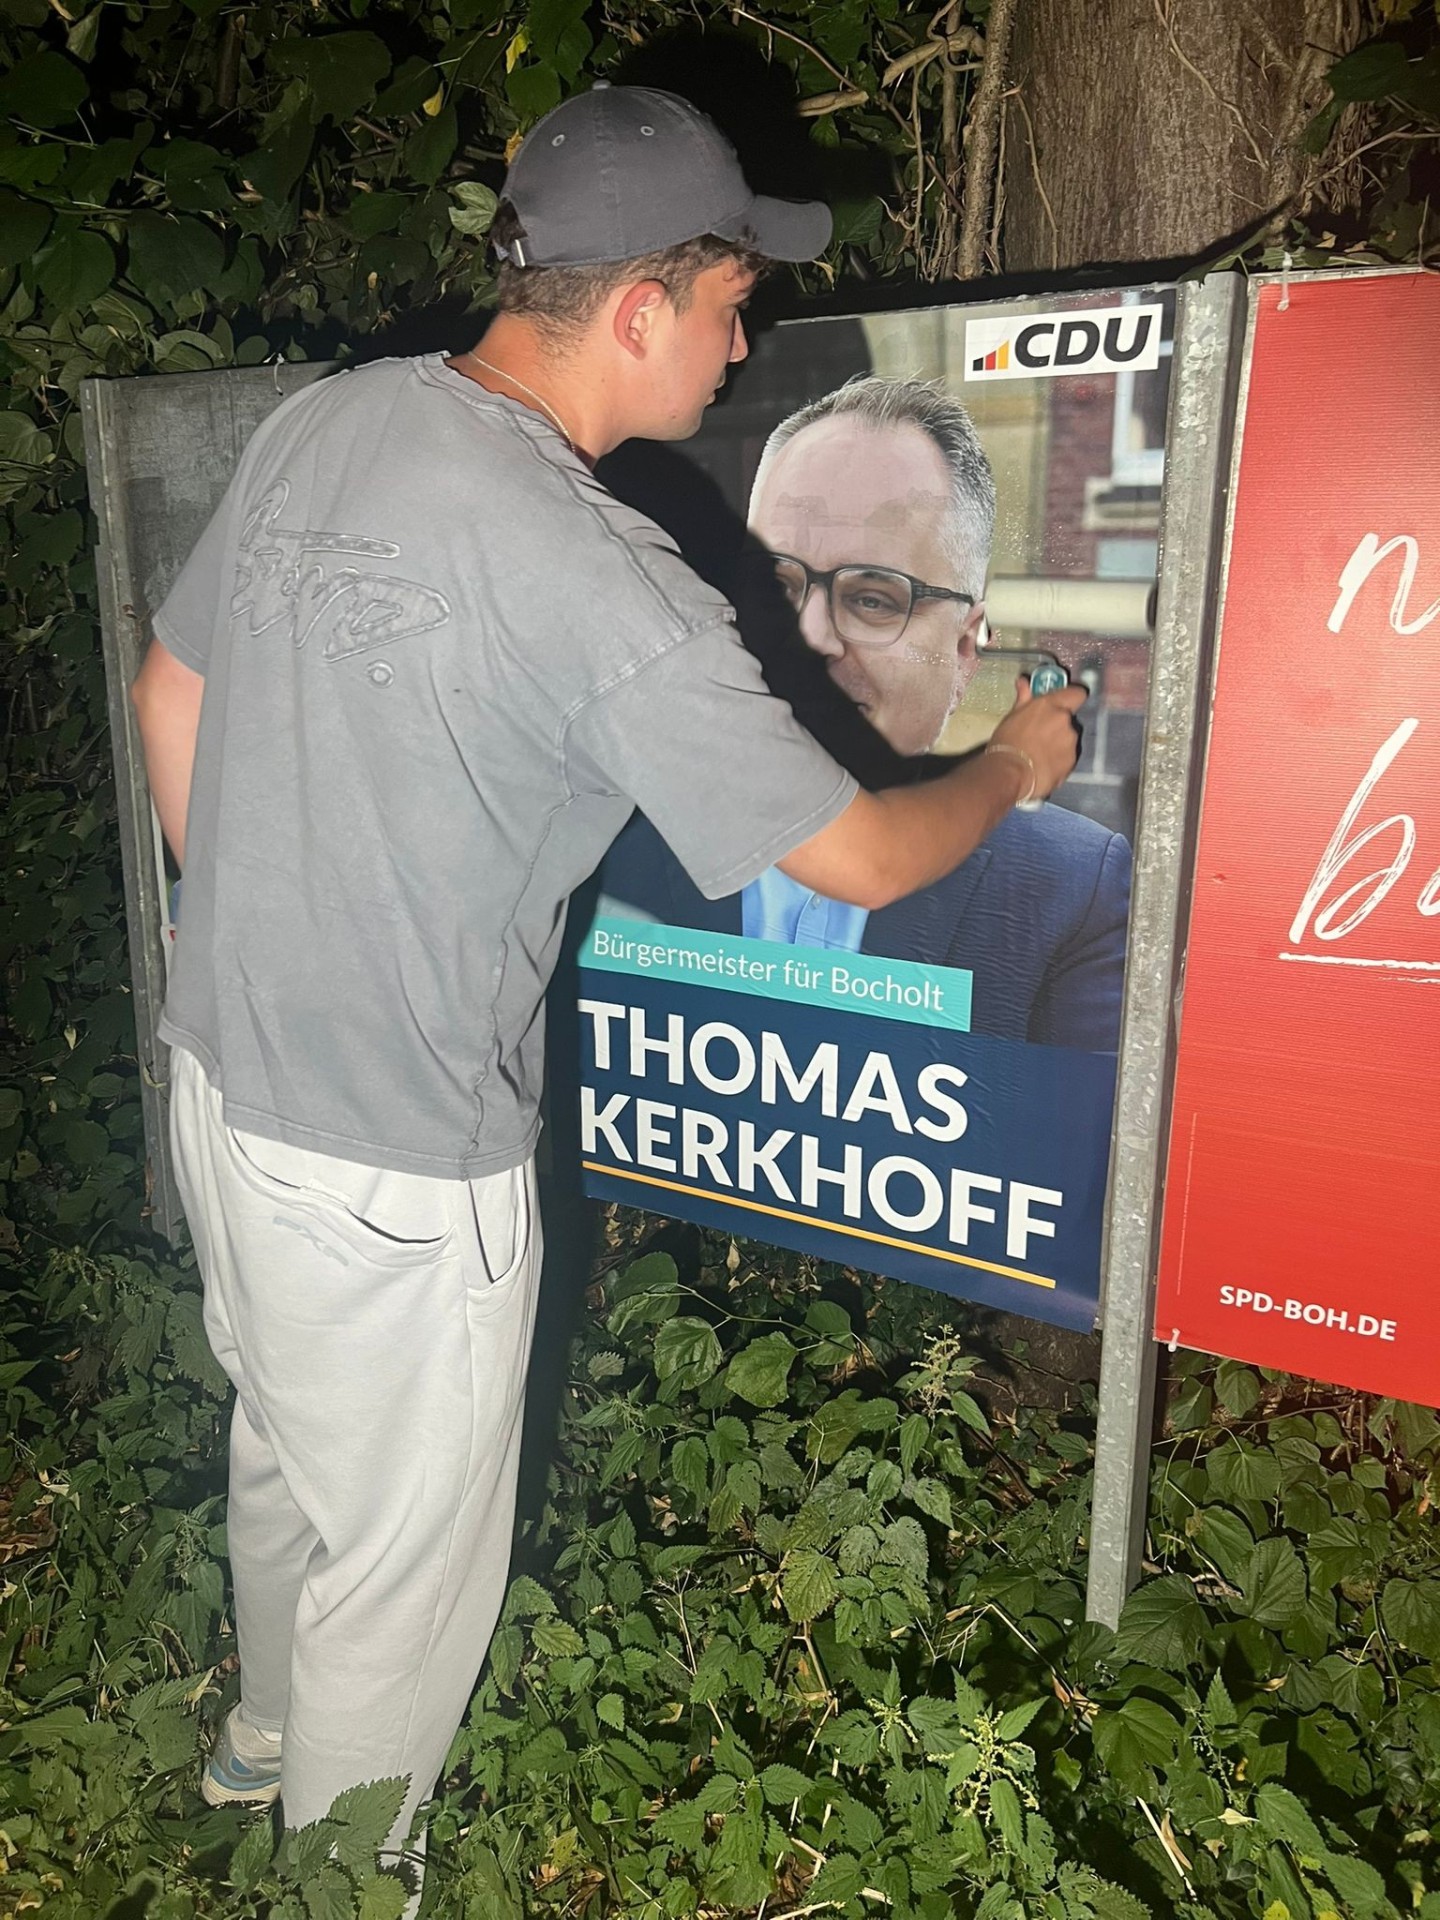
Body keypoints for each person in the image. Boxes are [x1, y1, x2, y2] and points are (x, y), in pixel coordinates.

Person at [127, 83, 1086, 1884]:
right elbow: (866, 858)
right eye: (729, 303)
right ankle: (347, 1879)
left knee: (292, 1439)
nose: (741, 343)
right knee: (403, 1571)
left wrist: (245, 916)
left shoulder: (330, 422)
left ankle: (258, 1737)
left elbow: (167, 691)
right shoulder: (598, 572)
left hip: (222, 1077)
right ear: (640, 306)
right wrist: (1021, 760)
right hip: (402, 1152)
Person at [600, 376, 1131, 1050]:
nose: (811, 637)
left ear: (965, 648)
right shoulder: (612, 832)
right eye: (776, 586)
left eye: (874, 599)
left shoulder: (1071, 891)